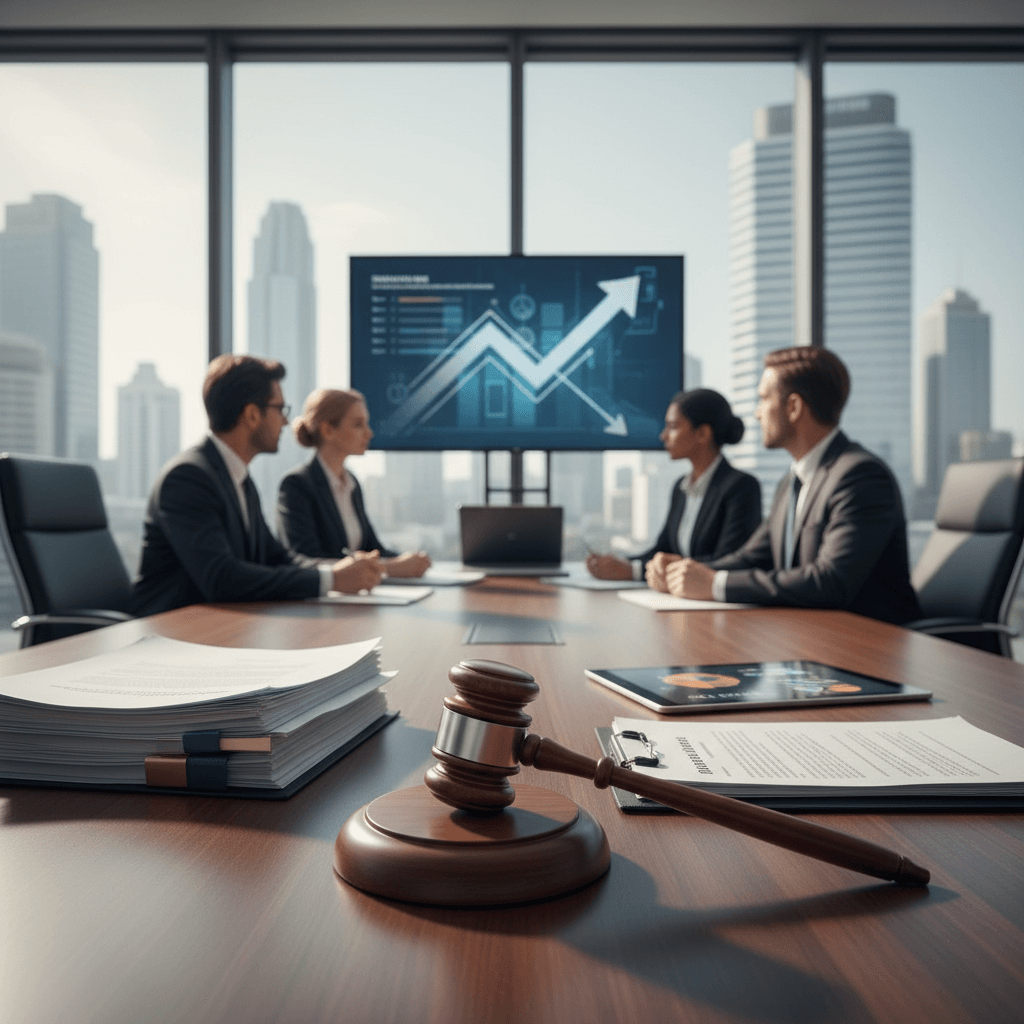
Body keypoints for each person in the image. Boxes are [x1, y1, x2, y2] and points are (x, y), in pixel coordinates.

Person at [661, 346, 921, 625]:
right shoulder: (790, 482)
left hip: (868, 646)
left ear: (794, 407)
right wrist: (682, 573)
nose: (757, 413)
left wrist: (715, 584)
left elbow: (830, 580)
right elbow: (752, 558)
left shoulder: (860, 476)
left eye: (763, 399)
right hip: (807, 636)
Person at [129, 356, 385, 617]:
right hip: (170, 633)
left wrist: (336, 573)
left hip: (220, 627)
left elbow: (277, 557)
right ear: (252, 414)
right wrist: (331, 581)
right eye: (280, 410)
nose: (286, 422)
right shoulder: (188, 477)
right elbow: (221, 578)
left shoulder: (238, 478)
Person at [586, 388, 761, 584]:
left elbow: (727, 561)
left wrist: (634, 571)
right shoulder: (681, 487)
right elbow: (663, 550)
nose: (663, 435)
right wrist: (620, 563)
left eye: (673, 426)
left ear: (702, 433)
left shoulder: (741, 487)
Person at [277, 389, 432, 578]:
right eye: (358, 424)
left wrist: (408, 561)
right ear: (328, 430)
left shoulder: (351, 483)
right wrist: (389, 568)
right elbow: (305, 559)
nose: (369, 433)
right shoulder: (296, 485)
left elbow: (372, 549)